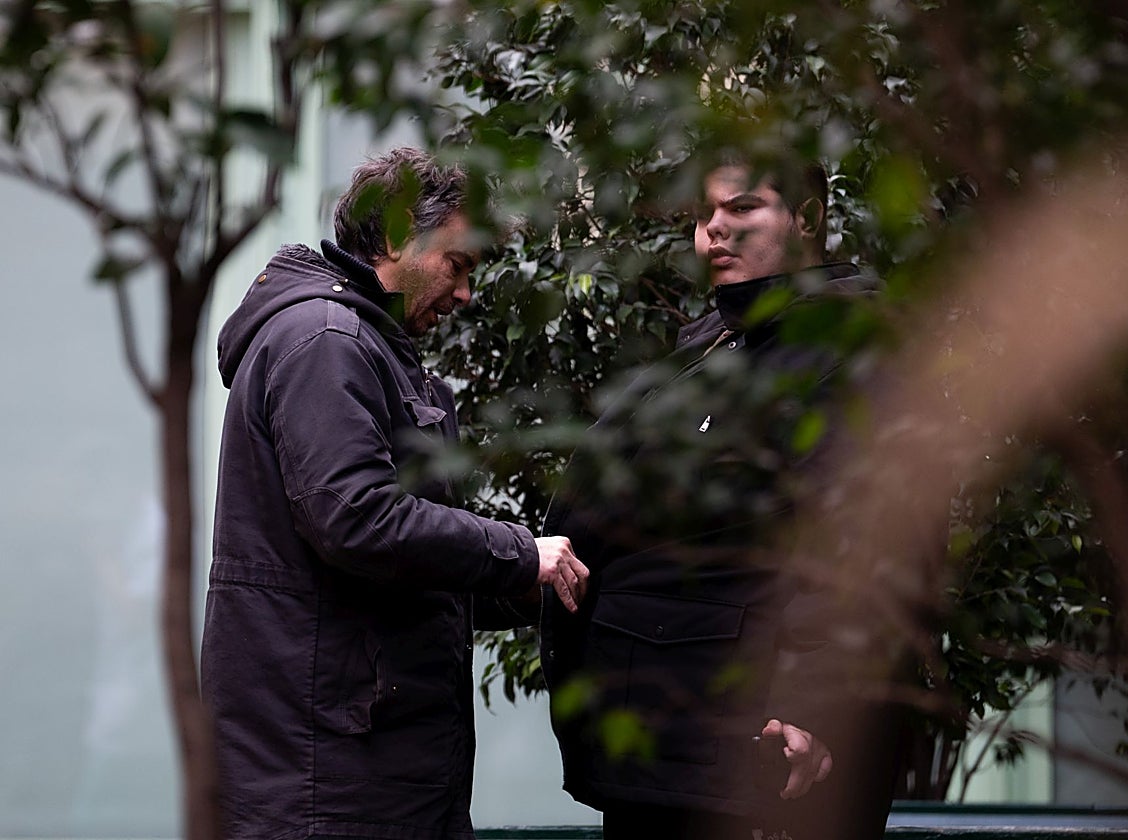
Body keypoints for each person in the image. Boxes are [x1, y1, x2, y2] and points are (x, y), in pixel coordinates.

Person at [200, 147, 588, 840]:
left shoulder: (363, 344)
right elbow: (358, 518)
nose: (466, 294)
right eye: (459, 265)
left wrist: (519, 586)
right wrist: (517, 552)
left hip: (364, 764)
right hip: (330, 777)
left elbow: (399, 565)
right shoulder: (326, 340)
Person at [540, 151, 903, 839]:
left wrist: (814, 705)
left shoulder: (847, 350)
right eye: (703, 216)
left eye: (741, 209)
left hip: (753, 756)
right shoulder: (710, 352)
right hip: (663, 744)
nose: (714, 232)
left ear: (807, 218)